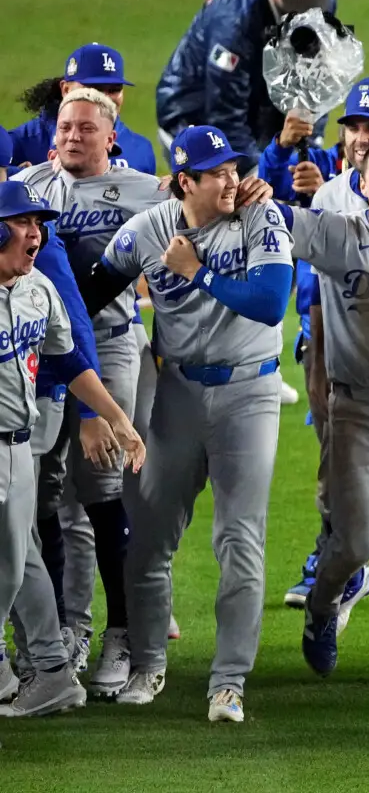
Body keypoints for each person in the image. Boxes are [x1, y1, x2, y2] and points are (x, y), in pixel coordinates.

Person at [81, 125, 292, 723]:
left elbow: (272, 302)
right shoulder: (146, 231)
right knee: (147, 537)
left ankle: (228, 683)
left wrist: (197, 271)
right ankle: (148, 665)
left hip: (249, 393)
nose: (231, 180)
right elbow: (89, 297)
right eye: (217, 173)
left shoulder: (261, 218)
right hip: (173, 393)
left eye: (233, 169)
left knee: (239, 540)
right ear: (185, 182)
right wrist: (84, 395)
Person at [14, 88, 166, 699]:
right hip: (41, 354)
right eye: (65, 127)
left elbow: (208, 205)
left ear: (112, 136)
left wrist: (258, 185)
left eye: (85, 128)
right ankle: (69, 629)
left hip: (110, 345)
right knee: (58, 498)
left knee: (102, 490)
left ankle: (122, 632)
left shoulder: (143, 188)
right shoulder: (29, 189)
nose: (73, 136)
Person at [0, 180, 145, 719]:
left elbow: (70, 360)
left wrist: (115, 418)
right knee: (18, 560)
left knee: (19, 559)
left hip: (17, 447)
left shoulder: (37, 289)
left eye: (39, 223)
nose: (36, 233)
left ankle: (50, 672)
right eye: (23, 223)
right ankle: (50, 669)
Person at [276, 79, 369, 607]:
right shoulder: (331, 194)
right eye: (354, 128)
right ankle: (356, 558)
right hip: (337, 350)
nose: (361, 138)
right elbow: (312, 285)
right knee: (336, 466)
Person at [155, 0, 337, 177]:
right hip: (194, 121)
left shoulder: (322, 2)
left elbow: (313, 77)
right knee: (225, 197)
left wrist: (306, 153)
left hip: (257, 113)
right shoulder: (233, 22)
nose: (306, 15)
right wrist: (258, 172)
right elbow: (224, 115)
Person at [8, 43, 157, 176]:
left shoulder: (141, 149)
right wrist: (20, 176)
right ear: (66, 89)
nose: (104, 98)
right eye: (94, 89)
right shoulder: (19, 143)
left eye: (114, 90)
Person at [258, 77, 369, 205]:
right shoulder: (321, 164)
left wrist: (324, 195)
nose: (361, 139)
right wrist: (282, 146)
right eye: (353, 128)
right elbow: (269, 185)